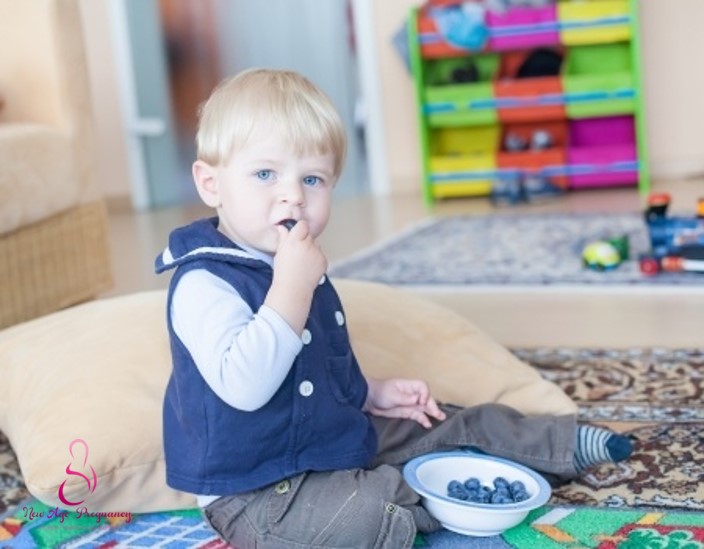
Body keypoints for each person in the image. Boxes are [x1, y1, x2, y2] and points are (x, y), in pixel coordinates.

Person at [155, 68, 633, 548]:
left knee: (438, 418)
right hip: (257, 492)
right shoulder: (205, 282)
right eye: (265, 174)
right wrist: (292, 287)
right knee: (370, 509)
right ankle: (426, 495)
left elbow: (314, 363)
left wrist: (368, 393)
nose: (294, 196)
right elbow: (247, 386)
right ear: (211, 183)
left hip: (328, 440)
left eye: (313, 178)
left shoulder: (295, 260)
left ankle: (553, 443)